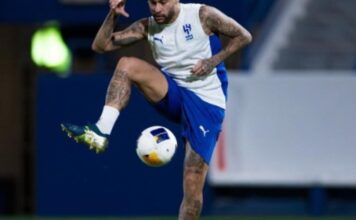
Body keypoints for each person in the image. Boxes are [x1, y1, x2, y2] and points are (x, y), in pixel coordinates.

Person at [61, 0, 252, 218]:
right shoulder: (147, 26)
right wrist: (113, 14)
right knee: (126, 65)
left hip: (206, 103)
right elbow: (100, 46)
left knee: (192, 181)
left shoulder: (202, 15)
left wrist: (212, 61)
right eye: (152, 2)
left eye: (162, 2)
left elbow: (244, 35)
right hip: (173, 93)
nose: (157, 9)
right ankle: (101, 131)